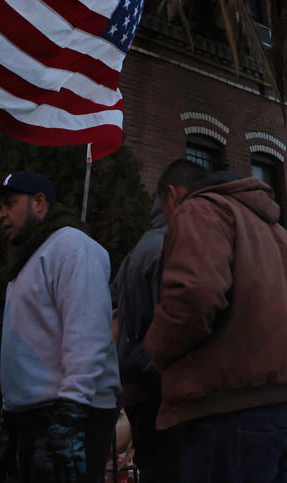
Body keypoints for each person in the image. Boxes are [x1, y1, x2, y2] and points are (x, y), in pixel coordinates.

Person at [144, 159, 287, 483]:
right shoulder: (274, 228)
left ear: (173, 195)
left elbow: (194, 295)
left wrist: (156, 349)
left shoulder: (199, 210)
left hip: (230, 410)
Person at [0, 170, 120, 483]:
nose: (1, 214)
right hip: (34, 414)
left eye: (9, 203)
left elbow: (87, 332)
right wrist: (11, 415)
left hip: (68, 412)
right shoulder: (27, 259)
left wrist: (71, 412)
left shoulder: (72, 246)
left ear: (40, 202)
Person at [110, 198, 179, 483]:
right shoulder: (168, 248)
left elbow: (112, 311)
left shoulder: (138, 250)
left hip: (137, 385)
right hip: (159, 386)